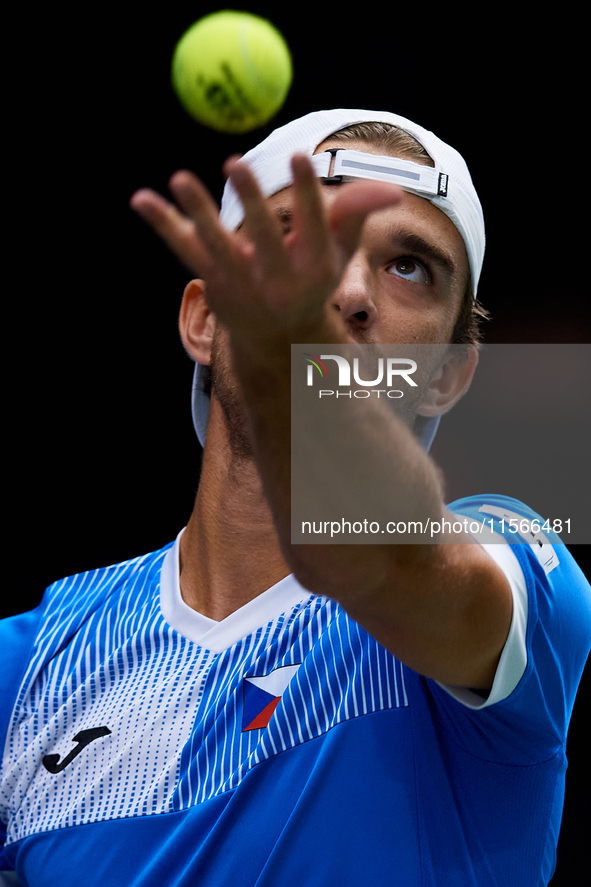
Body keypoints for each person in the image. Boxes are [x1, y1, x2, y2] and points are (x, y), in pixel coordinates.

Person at [1, 109, 589, 887]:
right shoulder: (30, 662)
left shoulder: (516, 562)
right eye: (297, 246)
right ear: (206, 318)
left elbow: (376, 559)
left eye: (407, 265)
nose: (344, 292)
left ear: (448, 374)